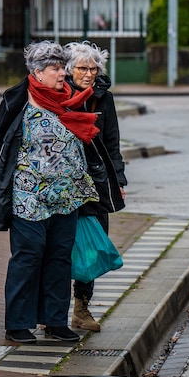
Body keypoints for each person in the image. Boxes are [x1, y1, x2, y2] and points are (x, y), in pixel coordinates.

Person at [0, 41, 102, 344]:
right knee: (28, 257)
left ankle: (55, 321)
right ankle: (18, 323)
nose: (63, 73)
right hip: (28, 198)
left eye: (62, 67)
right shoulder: (20, 101)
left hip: (66, 197)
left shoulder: (72, 99)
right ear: (38, 72)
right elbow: (1, 151)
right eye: (56, 68)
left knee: (60, 258)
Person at [64, 41, 127, 332]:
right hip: (64, 183)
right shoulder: (59, 95)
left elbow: (112, 143)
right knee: (60, 245)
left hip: (96, 182)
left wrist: (119, 181)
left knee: (92, 246)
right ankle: (51, 311)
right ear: (69, 70)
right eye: (82, 68)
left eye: (93, 68)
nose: (88, 74)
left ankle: (81, 308)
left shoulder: (104, 99)